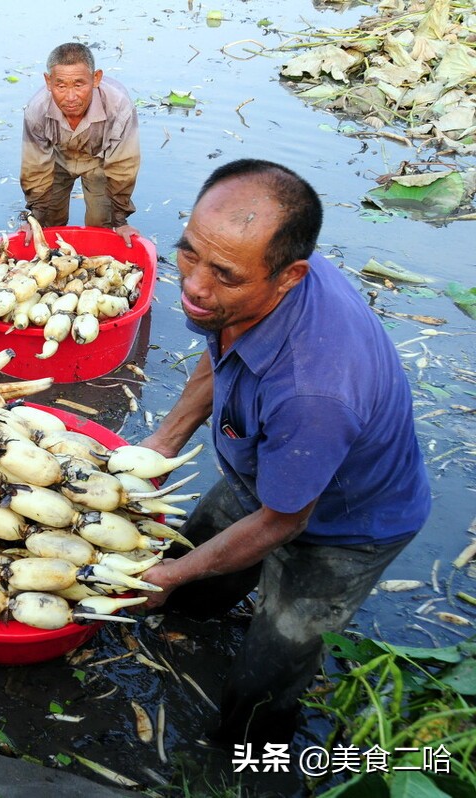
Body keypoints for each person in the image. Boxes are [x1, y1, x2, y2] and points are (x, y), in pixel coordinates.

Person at [136, 159, 431, 745]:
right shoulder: (244, 284)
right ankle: (182, 623)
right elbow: (222, 350)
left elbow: (284, 521)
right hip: (267, 469)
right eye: (188, 253)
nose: (194, 285)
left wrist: (167, 573)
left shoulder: (313, 390)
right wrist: (162, 444)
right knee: (188, 581)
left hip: (345, 523)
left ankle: (244, 758)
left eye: (223, 274)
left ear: (290, 276)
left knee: (271, 665)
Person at [20, 42, 141, 244]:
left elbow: (123, 166)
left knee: (100, 225)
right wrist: (35, 218)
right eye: (61, 86)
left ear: (96, 78)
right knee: (49, 223)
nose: (70, 97)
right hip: (56, 158)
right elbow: (35, 167)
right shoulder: (36, 110)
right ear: (48, 82)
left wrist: (120, 221)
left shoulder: (119, 107)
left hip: (100, 160)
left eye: (78, 85)